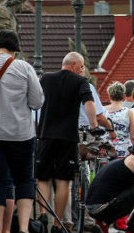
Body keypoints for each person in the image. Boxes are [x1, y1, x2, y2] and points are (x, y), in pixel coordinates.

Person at [0, 30, 44, 233]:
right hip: (21, 134)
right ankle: (24, 228)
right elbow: (37, 102)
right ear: (15, 49)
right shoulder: (24, 68)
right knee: (24, 179)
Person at [37, 51, 98, 233]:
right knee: (63, 180)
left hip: (45, 134)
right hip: (67, 137)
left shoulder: (46, 78)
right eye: (81, 67)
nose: (82, 70)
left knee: (43, 177)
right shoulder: (81, 82)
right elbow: (89, 103)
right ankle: (57, 224)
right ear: (73, 65)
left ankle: (42, 216)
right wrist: (94, 125)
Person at [86, 140, 134, 233]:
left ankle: (103, 224)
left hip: (93, 208)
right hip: (103, 208)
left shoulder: (124, 161)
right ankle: (132, 229)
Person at [105, 82, 134, 158]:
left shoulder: (102, 111)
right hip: (123, 153)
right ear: (123, 96)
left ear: (109, 97)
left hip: (105, 153)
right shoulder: (129, 112)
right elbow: (133, 137)